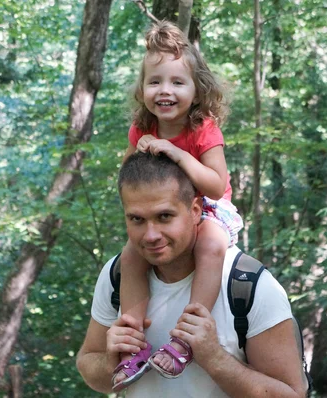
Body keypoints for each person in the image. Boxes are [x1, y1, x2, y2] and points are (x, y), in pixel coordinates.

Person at [76, 152, 308, 397]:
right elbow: (89, 366)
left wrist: (214, 357)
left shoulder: (248, 284)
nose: (151, 234)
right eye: (137, 219)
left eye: (164, 216)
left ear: (196, 210)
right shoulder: (117, 275)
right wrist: (110, 362)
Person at [116, 20, 243, 389]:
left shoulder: (203, 129)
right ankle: (133, 340)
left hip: (210, 209)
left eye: (176, 82)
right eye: (155, 82)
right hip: (165, 214)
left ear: (196, 89)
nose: (164, 91)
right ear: (142, 90)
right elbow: (127, 176)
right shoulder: (141, 128)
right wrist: (133, 160)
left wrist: (176, 153)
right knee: (130, 256)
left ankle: (188, 335)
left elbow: (217, 186)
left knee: (211, 244)